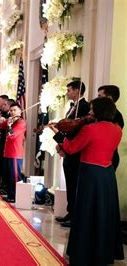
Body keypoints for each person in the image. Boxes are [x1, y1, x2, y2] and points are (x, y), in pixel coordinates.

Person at [50, 97, 124, 265]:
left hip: (90, 174)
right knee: (104, 213)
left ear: (98, 111)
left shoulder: (90, 129)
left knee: (86, 212)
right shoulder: (117, 129)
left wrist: (58, 134)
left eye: (91, 109)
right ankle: (103, 252)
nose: (89, 112)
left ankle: (83, 251)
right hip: (107, 174)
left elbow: (72, 148)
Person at [54, 81, 90, 227]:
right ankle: (70, 211)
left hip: (76, 151)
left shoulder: (84, 107)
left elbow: (76, 130)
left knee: (74, 183)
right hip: (68, 148)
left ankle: (75, 215)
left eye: (69, 90)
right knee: (69, 182)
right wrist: (61, 144)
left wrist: (63, 139)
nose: (67, 93)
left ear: (77, 91)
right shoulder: (72, 107)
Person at [1, 102, 26, 203]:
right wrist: (3, 120)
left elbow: (12, 136)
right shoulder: (11, 120)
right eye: (10, 110)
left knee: (15, 176)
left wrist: (10, 125)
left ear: (20, 111)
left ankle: (15, 196)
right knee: (8, 175)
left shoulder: (21, 122)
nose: (12, 112)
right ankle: (10, 194)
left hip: (15, 152)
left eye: (14, 110)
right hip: (8, 152)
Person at [98, 85, 124, 170]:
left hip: (108, 159)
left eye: (100, 96)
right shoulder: (100, 114)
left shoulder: (117, 116)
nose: (97, 99)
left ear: (109, 98)